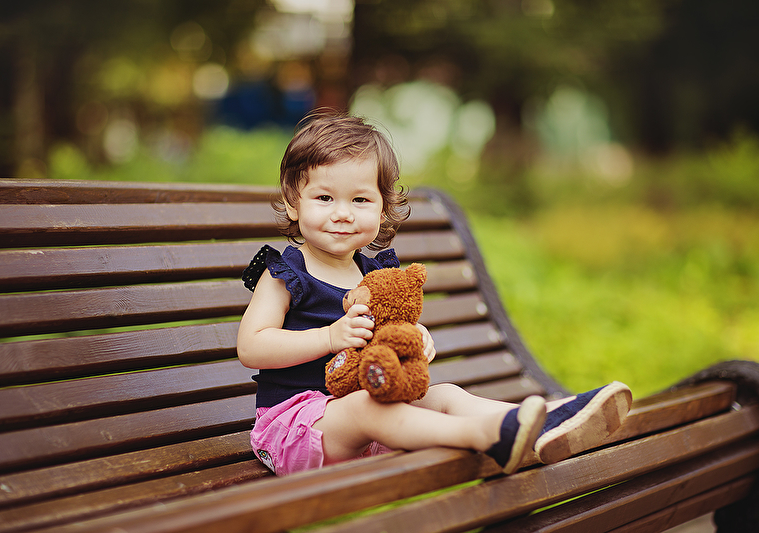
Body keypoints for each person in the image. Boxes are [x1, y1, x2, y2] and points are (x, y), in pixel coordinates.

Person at [237, 111, 632, 477]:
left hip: (371, 418)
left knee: (446, 394)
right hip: (296, 428)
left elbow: (387, 338)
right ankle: (487, 437)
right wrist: (327, 337)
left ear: (382, 207)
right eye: (325, 198)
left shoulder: (375, 275)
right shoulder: (286, 273)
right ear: (294, 202)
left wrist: (414, 340)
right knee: (364, 407)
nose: (343, 212)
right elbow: (251, 347)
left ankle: (546, 422)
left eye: (360, 199)